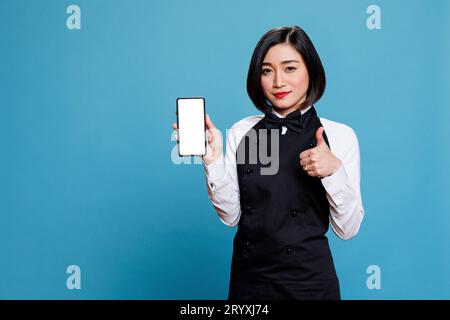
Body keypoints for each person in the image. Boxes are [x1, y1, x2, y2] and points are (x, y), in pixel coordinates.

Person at [172, 26, 364, 300]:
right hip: (250, 284)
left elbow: (347, 229)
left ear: (311, 69)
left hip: (311, 285)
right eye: (267, 71)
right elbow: (231, 217)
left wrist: (333, 171)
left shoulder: (340, 135)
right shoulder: (242, 132)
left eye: (289, 68)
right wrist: (212, 159)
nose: (278, 82)